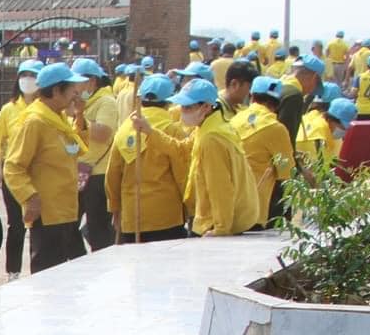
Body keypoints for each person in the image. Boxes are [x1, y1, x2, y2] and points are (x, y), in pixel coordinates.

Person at [3, 62, 90, 273]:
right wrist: (30, 197)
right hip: (48, 215)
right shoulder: (35, 122)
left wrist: (79, 115)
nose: (75, 93)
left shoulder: (58, 118)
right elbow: (13, 167)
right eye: (71, 89)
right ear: (57, 91)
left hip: (66, 211)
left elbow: (77, 148)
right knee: (48, 275)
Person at [171, 80, 260, 236]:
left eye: (188, 107)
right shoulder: (212, 126)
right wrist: (150, 132)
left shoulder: (211, 139)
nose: (182, 111)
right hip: (221, 218)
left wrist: (220, 229)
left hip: (212, 223)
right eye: (182, 106)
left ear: (206, 107)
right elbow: (182, 148)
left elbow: (220, 188)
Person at [108, 76, 191, 243]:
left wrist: (115, 209)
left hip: (132, 217)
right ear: (168, 102)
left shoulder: (124, 130)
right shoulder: (173, 131)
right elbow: (183, 176)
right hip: (166, 217)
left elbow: (112, 175)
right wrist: (191, 208)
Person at [0, 59, 42, 279]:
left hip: (37, 173)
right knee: (16, 223)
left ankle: (38, 270)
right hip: (13, 173)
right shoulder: (8, 110)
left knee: (37, 223)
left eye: (32, 75)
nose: (27, 79)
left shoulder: (44, 108)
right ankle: (13, 271)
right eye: (24, 75)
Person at [235, 76, 295, 224]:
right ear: (277, 103)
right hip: (256, 207)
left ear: (251, 96)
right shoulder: (276, 128)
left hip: (231, 202)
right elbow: (286, 171)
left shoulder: (233, 120)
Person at [73, 58, 119, 250]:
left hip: (98, 174)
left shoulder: (106, 102)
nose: (74, 86)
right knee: (68, 226)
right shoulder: (75, 104)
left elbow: (103, 134)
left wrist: (81, 115)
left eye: (77, 81)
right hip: (78, 172)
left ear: (91, 81)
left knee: (98, 229)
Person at [298, 96, 357, 176]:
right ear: (330, 119)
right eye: (344, 127)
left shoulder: (319, 118)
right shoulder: (316, 137)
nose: (345, 131)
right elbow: (316, 173)